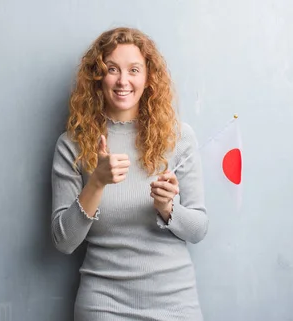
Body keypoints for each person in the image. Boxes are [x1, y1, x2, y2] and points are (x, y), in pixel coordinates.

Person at [50, 27, 209, 321]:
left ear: (148, 77)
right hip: (104, 306)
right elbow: (63, 241)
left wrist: (168, 209)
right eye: (112, 69)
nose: (123, 81)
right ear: (98, 77)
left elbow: (198, 229)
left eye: (134, 70)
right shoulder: (72, 144)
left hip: (175, 304)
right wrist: (96, 182)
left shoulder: (179, 138)